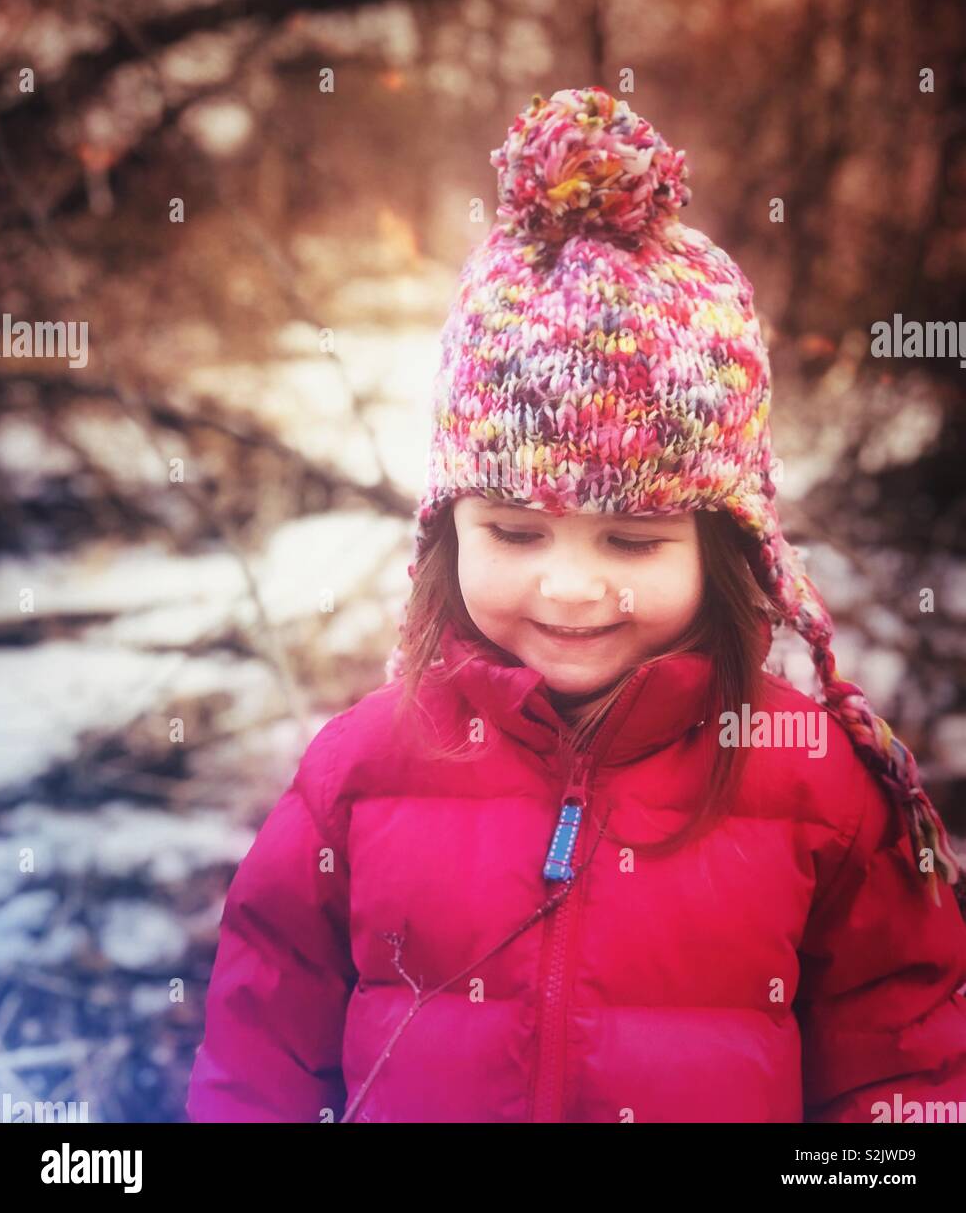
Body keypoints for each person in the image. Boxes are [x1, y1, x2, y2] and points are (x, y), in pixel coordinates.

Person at [186, 86, 966, 1124]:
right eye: (514, 532)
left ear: (727, 547)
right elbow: (258, 1064)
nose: (568, 586)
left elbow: (904, 1074)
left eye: (634, 540)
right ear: (446, 530)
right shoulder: (359, 777)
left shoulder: (819, 791)